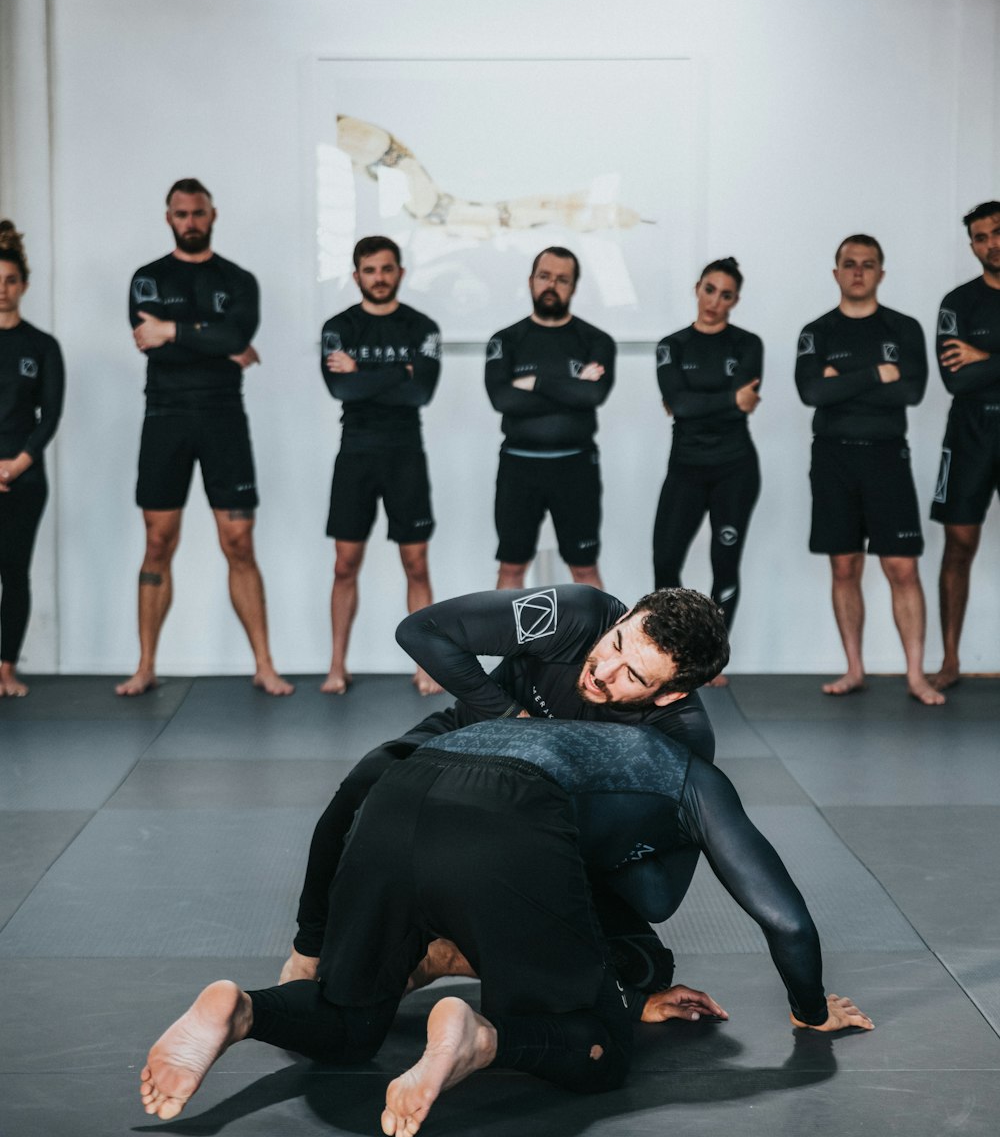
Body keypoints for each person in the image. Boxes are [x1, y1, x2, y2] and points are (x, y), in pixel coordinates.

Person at [140, 718, 873, 1136]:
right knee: (605, 1050)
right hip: (506, 827)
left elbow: (354, 792)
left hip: (398, 796)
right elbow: (785, 916)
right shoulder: (687, 777)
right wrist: (811, 1010)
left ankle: (242, 1009)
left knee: (351, 1019)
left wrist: (313, 940)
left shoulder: (523, 720)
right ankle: (479, 1037)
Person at [281, 584, 727, 991]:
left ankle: (449, 957)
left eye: (633, 676)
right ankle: (308, 953)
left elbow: (658, 897)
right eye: (615, 643)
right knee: (364, 786)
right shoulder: (578, 614)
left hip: (539, 825)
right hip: (462, 742)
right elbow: (422, 630)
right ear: (624, 617)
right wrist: (512, 721)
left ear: (668, 694)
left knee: (645, 970)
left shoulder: (681, 739)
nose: (603, 671)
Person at [116, 179, 291, 698]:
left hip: (222, 419)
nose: (190, 221)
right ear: (167, 217)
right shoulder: (148, 278)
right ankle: (146, 665)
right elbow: (157, 348)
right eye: (181, 214)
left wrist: (173, 331)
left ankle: (264, 663)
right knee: (157, 541)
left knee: (239, 542)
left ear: (213, 214)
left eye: (198, 213)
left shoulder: (238, 280)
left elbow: (232, 336)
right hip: (165, 417)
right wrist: (213, 342)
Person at [795, 235, 942, 705]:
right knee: (844, 566)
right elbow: (812, 394)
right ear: (836, 272)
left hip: (886, 456)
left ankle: (916, 675)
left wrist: (842, 383)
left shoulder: (904, 328)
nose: (858, 272)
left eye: (868, 264)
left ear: (881, 272)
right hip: (833, 457)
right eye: (850, 264)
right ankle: (854, 669)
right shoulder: (815, 332)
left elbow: (912, 393)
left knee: (902, 567)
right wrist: (877, 375)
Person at [319, 236, 442, 695]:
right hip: (355, 455)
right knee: (344, 564)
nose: (379, 278)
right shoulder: (339, 326)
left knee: (417, 564)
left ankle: (426, 667)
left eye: (387, 269)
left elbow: (421, 393)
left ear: (400, 273)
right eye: (369, 270)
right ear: (356, 276)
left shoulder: (422, 327)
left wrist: (363, 375)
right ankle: (337, 666)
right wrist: (400, 373)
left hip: (405, 454)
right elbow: (341, 391)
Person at [652, 257, 762, 686]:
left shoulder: (748, 344)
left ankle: (711, 660)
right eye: (710, 289)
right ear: (697, 288)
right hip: (685, 470)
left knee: (725, 565)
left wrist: (691, 401)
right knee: (665, 563)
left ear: (736, 300)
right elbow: (679, 404)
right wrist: (729, 401)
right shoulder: (671, 344)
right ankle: (669, 652)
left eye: (727, 294)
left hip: (735, 470)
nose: (716, 301)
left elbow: (683, 402)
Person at [485, 247, 615, 591]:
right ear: (531, 281)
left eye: (562, 279)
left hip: (575, 469)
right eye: (544, 276)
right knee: (511, 568)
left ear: (573, 287)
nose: (551, 285)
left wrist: (535, 383)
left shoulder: (596, 341)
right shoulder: (506, 340)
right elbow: (502, 398)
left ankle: (597, 648)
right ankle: (508, 648)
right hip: (518, 467)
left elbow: (593, 396)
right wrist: (569, 390)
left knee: (584, 569)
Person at [928, 201, 1000, 690]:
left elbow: (976, 370)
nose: (991, 244)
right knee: (959, 544)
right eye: (981, 237)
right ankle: (951, 660)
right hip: (971, 433)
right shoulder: (957, 303)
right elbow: (956, 381)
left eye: (997, 232)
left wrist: (987, 357)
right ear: (972, 245)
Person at [0, 221, 65, 697]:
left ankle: (5, 669)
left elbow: (51, 413)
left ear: (23, 285)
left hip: (24, 477)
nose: (2, 290)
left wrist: (16, 464)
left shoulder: (42, 346)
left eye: (10, 281)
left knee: (14, 572)